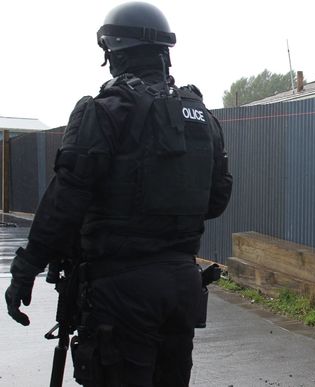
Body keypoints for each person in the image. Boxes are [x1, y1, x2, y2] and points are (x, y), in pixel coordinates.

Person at [4, 1, 232, 385]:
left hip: (122, 291)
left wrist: (26, 269)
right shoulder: (202, 116)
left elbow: (66, 201)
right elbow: (216, 201)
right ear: (164, 54)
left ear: (113, 53)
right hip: (182, 286)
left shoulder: (105, 110)